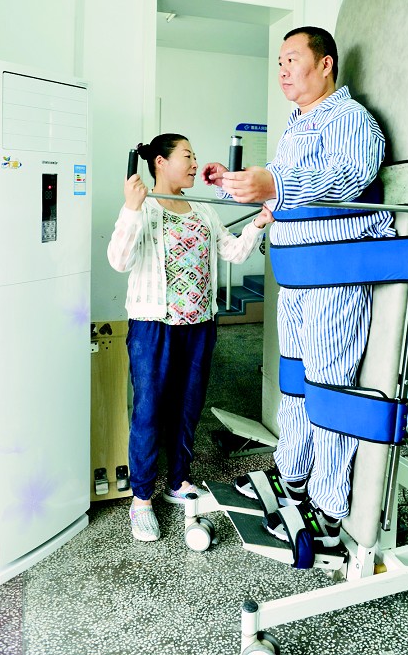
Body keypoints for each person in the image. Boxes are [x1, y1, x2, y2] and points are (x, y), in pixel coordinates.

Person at [202, 27, 395, 550]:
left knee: (328, 387)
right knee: (294, 381)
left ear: (325, 64)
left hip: (334, 276)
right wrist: (237, 185)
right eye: (280, 62)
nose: (283, 70)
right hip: (296, 276)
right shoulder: (296, 125)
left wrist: (275, 183)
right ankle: (293, 476)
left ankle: (329, 508)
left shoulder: (350, 119)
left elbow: (347, 179)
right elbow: (281, 193)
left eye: (292, 59)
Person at [108, 133, 272, 542]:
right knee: (149, 411)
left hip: (199, 326)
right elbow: (119, 260)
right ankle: (141, 499)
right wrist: (130, 208)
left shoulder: (203, 209)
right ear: (161, 163)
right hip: (153, 326)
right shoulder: (143, 207)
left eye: (195, 155)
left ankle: (178, 480)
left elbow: (233, 253)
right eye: (187, 156)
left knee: (187, 407)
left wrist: (258, 223)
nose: (195, 163)